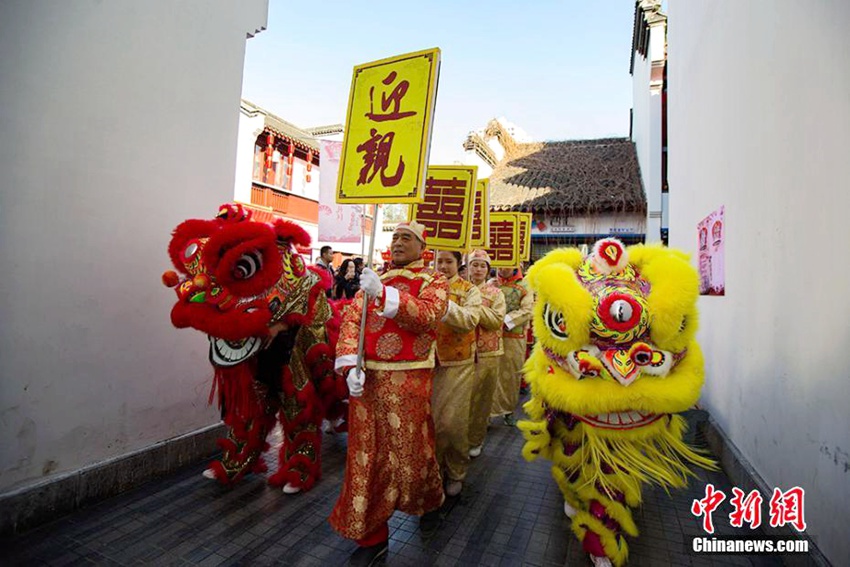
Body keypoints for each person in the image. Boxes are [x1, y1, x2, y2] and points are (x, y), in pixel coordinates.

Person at [329, 221, 448, 566]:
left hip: (409, 380)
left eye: (406, 238)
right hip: (367, 380)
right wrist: (350, 365)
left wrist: (382, 293)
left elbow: (426, 316)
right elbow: (352, 321)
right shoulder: (373, 278)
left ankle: (428, 497)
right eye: (394, 237)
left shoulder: (433, 281)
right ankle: (372, 535)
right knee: (367, 458)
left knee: (412, 452)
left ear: (422, 247)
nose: (397, 242)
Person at [432, 250, 481, 497]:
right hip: (427, 362)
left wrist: (442, 303)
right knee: (432, 424)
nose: (442, 266)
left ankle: (457, 471)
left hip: (458, 363)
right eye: (438, 261)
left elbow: (470, 319)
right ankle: (435, 471)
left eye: (448, 262)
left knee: (453, 423)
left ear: (458, 263)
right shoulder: (425, 284)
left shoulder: (469, 289)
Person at [465, 250, 506, 458]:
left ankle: (475, 439)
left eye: (482, 266)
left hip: (487, 352)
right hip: (461, 352)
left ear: (488, 269)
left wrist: (474, 306)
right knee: (461, 399)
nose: (478, 269)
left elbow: (496, 320)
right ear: (468, 267)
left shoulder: (496, 294)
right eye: (474, 264)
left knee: (481, 399)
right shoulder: (461, 289)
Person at [489, 266, 533, 426]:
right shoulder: (491, 283)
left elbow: (528, 310)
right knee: (489, 374)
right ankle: (485, 413)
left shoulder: (526, 285)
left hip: (513, 337)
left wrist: (504, 321)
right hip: (490, 336)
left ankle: (508, 410)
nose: (503, 268)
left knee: (510, 375)